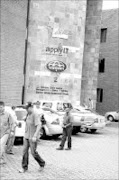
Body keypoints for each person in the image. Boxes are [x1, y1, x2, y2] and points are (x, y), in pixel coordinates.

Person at [19, 102, 45, 173]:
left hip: (32, 137)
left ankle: (42, 163)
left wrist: (35, 136)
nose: (26, 110)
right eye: (26, 109)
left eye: (27, 108)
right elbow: (28, 123)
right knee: (24, 152)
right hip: (26, 136)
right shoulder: (28, 114)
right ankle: (24, 167)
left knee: (33, 153)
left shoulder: (35, 114)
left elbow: (39, 125)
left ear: (31, 108)